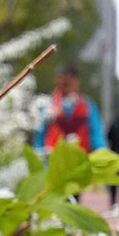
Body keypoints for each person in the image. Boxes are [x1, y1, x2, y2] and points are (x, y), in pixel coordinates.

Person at [33, 65, 107, 201]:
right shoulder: (47, 105)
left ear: (76, 81)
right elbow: (39, 134)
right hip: (52, 163)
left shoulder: (87, 105)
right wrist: (37, 157)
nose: (64, 85)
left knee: (73, 200)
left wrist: (100, 157)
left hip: (77, 164)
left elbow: (96, 134)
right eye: (61, 81)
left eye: (68, 81)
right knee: (53, 200)